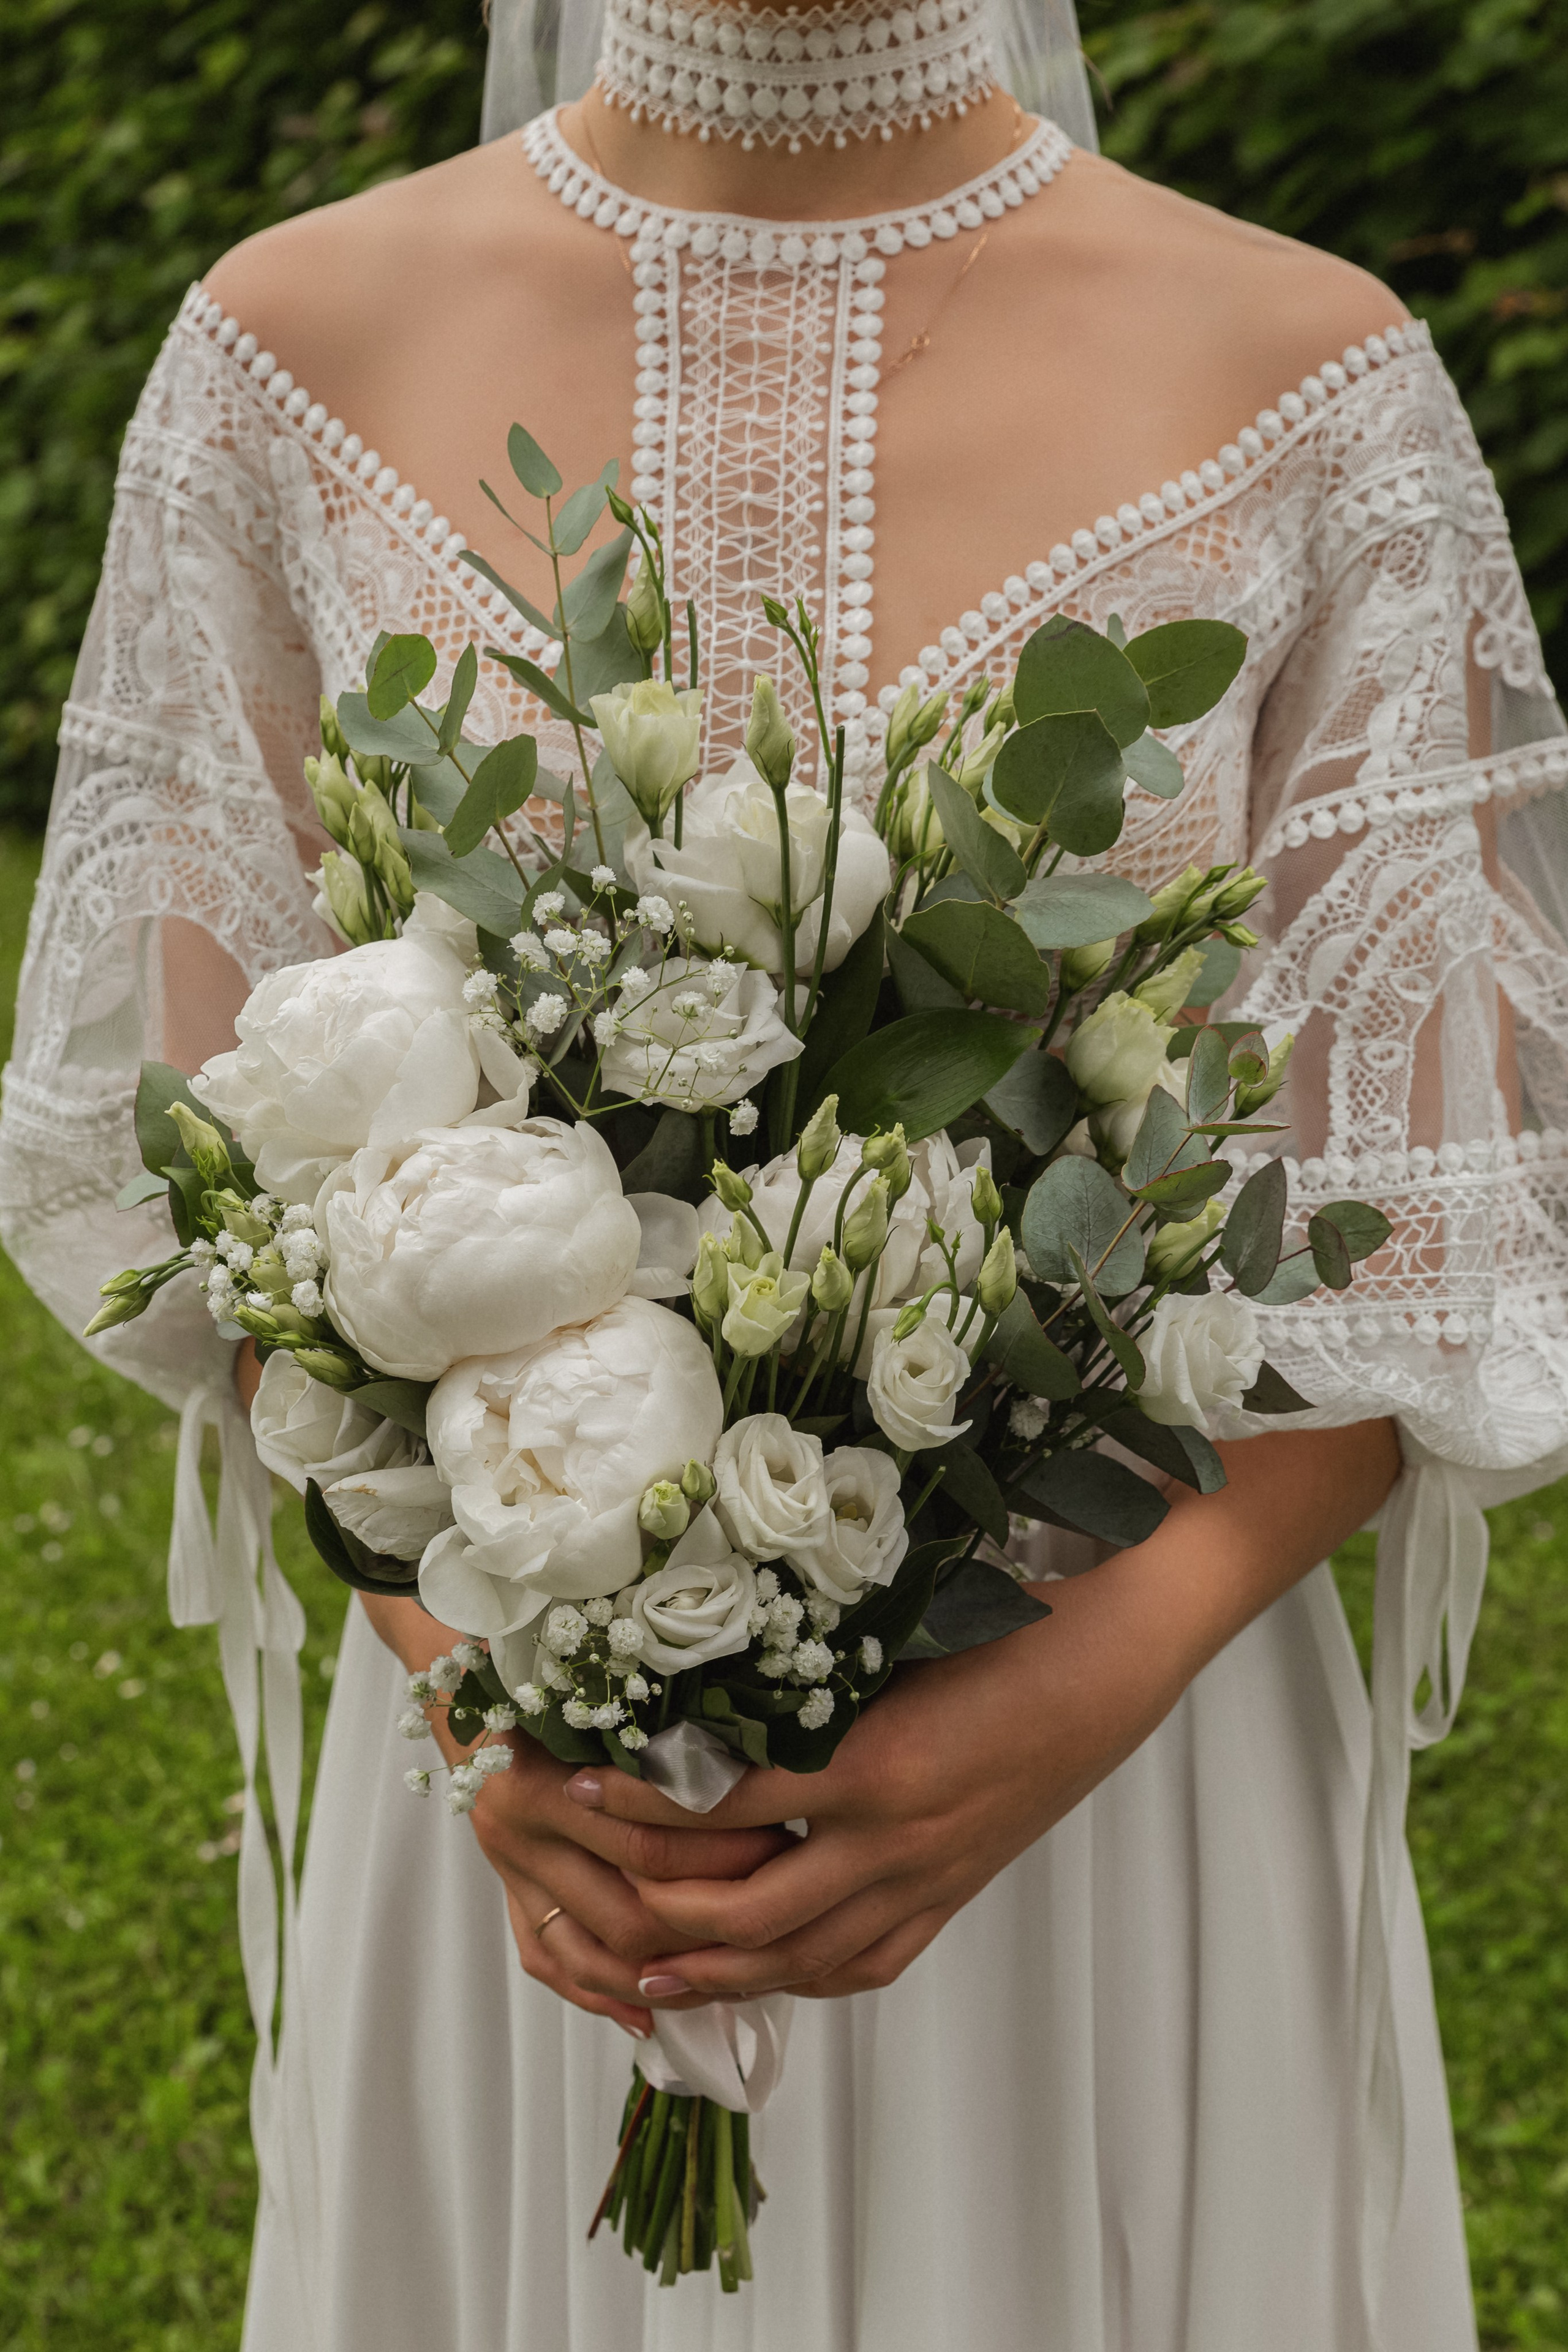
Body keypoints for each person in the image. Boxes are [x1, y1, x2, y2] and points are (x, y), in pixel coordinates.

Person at [4, 0, 1567, 2343]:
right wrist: (482, 1706)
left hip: (1108, 1784)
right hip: (535, 1825)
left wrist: (1066, 1700)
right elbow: (204, 1175)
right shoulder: (288, 353)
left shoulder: (1312, 382)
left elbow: (1425, 1213)